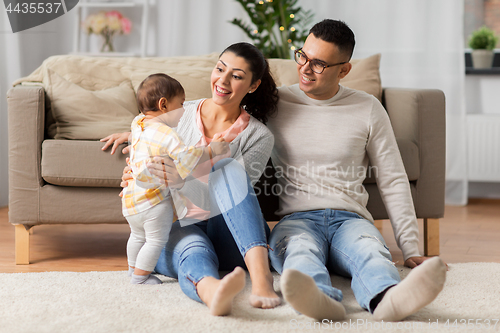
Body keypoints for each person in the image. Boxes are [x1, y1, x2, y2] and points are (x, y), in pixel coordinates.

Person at [267, 19, 447, 322]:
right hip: (296, 219)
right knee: (298, 254)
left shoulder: (367, 107)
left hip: (350, 219)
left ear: (344, 69)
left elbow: (392, 178)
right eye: (302, 56)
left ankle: (387, 299)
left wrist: (411, 247)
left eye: (319, 64)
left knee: (371, 253)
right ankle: (321, 300)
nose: (305, 68)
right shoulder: (275, 102)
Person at [101, 42, 281, 315]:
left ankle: (261, 279)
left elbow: (235, 199)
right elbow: (146, 153)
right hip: (179, 228)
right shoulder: (177, 112)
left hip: (230, 236)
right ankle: (210, 291)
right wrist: (136, 175)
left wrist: (180, 178)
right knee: (190, 248)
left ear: (253, 85)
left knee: (230, 169)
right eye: (220, 69)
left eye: (236, 75)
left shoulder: (259, 136)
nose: (222, 80)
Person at [123, 73, 228, 285]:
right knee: (155, 240)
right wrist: (211, 150)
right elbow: (186, 157)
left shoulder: (138, 123)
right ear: (163, 105)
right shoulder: (167, 134)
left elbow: (136, 143)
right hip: (153, 201)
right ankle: (141, 277)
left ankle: (132, 269)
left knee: (137, 236)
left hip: (130, 199)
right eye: (180, 105)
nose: (183, 111)